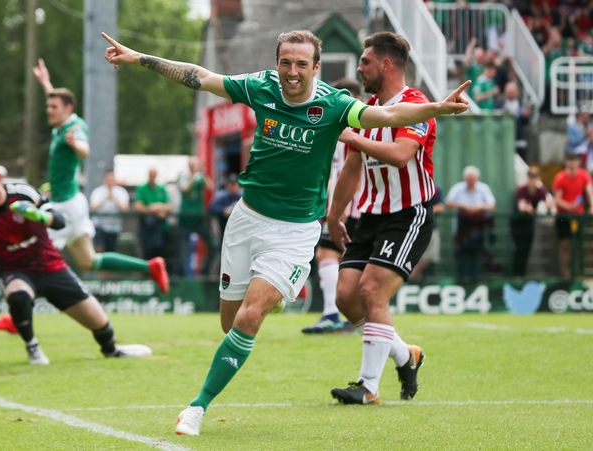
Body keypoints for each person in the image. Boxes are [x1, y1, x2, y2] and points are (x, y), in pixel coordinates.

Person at [102, 29, 469, 435]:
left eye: (301, 64)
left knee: (251, 316)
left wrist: (439, 107)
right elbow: (200, 76)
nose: (292, 72)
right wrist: (140, 58)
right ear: (276, 64)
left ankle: (197, 407)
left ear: (316, 67)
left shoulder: (335, 104)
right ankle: (277, 298)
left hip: (294, 232)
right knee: (230, 323)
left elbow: (389, 117)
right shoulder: (261, 87)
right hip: (246, 221)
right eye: (286, 63)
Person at [0, 59, 171, 334]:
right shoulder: (62, 124)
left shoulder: (73, 128)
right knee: (88, 261)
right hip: (70, 200)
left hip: (64, 209)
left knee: (28, 256)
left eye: (53, 107)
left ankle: (16, 315)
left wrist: (78, 145)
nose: (49, 110)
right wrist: (46, 83)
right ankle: (150, 267)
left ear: (68, 109)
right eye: (48, 106)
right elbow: (59, 108)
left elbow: (84, 149)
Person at [0, 156, 152, 364]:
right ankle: (33, 349)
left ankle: (112, 350)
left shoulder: (22, 193)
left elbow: (59, 221)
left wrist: (40, 216)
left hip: (51, 266)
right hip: (15, 271)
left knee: (99, 322)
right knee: (18, 295)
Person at [327, 32, 442, 406]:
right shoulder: (367, 110)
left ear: (386, 64)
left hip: (409, 214)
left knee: (373, 291)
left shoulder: (417, 106)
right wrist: (334, 215)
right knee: (346, 296)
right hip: (372, 214)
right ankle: (406, 354)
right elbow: (351, 169)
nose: (360, 68)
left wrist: (352, 138)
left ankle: (368, 386)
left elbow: (400, 154)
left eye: (365, 61)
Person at [301, 77, 364, 335]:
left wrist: (341, 208)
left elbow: (356, 170)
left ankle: (334, 315)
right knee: (341, 258)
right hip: (343, 204)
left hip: (350, 206)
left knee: (330, 256)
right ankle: (346, 316)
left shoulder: (356, 128)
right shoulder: (340, 127)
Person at [445, 166, 497, 282]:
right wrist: (464, 207)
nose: (471, 181)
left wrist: (479, 207)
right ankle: (461, 281)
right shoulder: (457, 188)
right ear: (464, 178)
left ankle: (474, 280)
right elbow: (448, 203)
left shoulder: (484, 189)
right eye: (469, 178)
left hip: (477, 231)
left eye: (473, 178)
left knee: (476, 256)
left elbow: (492, 206)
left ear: (477, 178)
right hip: (461, 230)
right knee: (461, 256)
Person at [552, 152, 593, 279]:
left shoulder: (584, 175)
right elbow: (557, 199)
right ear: (566, 162)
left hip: (577, 216)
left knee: (577, 244)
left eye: (574, 160)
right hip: (563, 216)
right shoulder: (560, 178)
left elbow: (589, 191)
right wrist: (569, 206)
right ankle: (564, 273)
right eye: (570, 160)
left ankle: (578, 272)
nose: (572, 163)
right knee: (565, 244)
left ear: (578, 162)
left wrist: (592, 205)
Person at [510, 167, 552, 277]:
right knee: (519, 249)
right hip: (517, 223)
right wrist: (527, 208)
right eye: (530, 177)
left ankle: (522, 275)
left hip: (529, 223)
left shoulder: (541, 191)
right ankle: (516, 275)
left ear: (539, 178)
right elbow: (521, 207)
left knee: (526, 250)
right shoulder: (521, 189)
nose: (532, 180)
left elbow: (547, 204)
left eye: (535, 177)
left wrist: (548, 206)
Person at [177, 156, 213, 277]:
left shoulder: (200, 177)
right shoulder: (183, 176)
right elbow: (185, 189)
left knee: (213, 246)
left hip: (199, 219)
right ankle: (183, 277)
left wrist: (204, 173)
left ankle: (205, 272)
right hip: (185, 219)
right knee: (182, 250)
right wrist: (194, 174)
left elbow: (210, 187)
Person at [134, 168, 171, 260]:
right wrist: (150, 209)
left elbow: (168, 205)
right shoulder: (142, 188)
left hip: (159, 227)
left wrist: (159, 208)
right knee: (147, 251)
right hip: (147, 226)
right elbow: (138, 206)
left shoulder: (161, 188)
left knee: (160, 250)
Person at [89, 170, 130, 253]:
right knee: (99, 248)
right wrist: (106, 198)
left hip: (114, 227)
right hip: (99, 226)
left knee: (111, 251)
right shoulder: (97, 191)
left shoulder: (121, 192)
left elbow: (125, 208)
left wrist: (113, 198)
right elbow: (93, 207)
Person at [409, 186, 445, 281]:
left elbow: (440, 208)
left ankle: (413, 274)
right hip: (413, 228)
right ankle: (413, 276)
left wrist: (421, 211)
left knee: (431, 255)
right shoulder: (411, 188)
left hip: (430, 228)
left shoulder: (436, 189)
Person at [495, 82, 530, 161]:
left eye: (513, 91)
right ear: (505, 92)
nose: (511, 93)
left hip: (519, 140)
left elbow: (526, 122)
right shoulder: (499, 105)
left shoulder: (522, 106)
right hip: (504, 141)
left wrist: (526, 116)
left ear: (517, 92)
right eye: (509, 91)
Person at [207, 173, 242, 242]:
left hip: (239, 227)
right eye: (231, 185)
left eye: (235, 184)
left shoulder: (242, 196)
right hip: (224, 226)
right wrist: (223, 210)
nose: (233, 187)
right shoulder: (222, 196)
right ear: (227, 185)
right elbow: (210, 207)